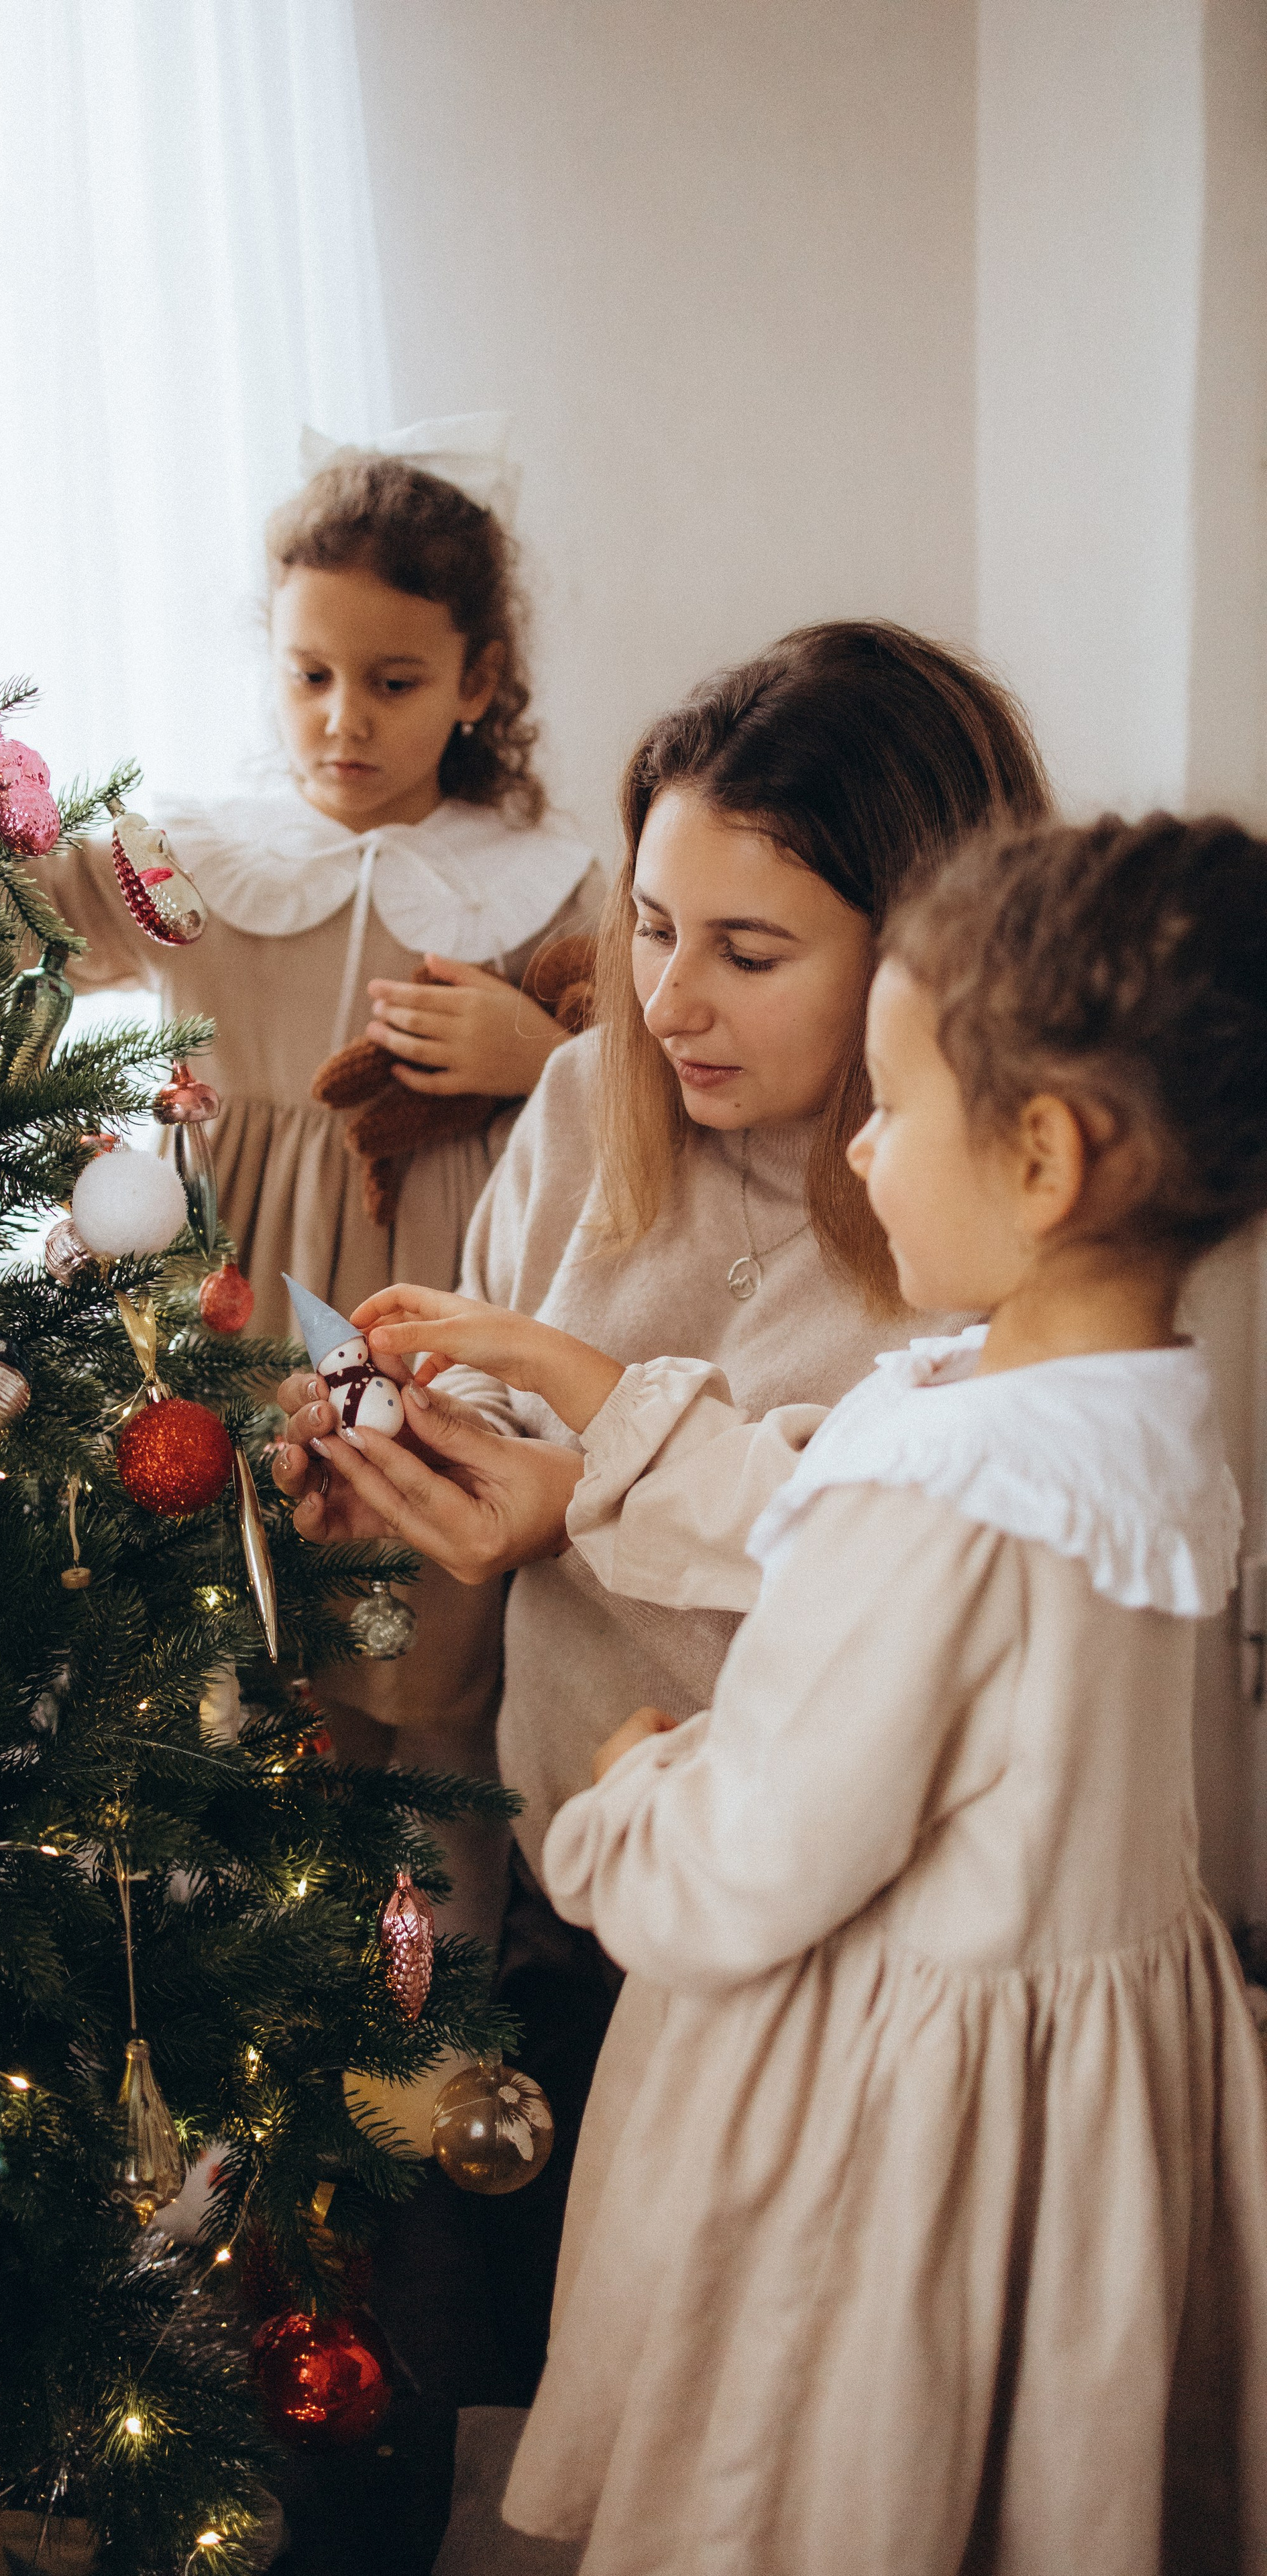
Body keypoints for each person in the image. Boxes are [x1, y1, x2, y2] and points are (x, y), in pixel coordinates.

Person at [480, 811, 1267, 2574]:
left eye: (895, 1109)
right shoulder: (1143, 1420)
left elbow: (761, 1859)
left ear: (1046, 1159)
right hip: (1092, 2068)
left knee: (831, 2470)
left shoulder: (947, 1489)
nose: (867, 1145)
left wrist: (627, 1805)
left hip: (895, 2118)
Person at [275, 623, 1051, 2398]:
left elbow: (912, 1576)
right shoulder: (581, 1096)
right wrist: (382, 1461)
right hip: (557, 1887)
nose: (670, 998)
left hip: (807, 1948)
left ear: (927, 957)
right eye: (649, 927)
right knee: (528, 2379)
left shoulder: (993, 1220)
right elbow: (482, 1385)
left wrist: (579, 1491)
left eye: (750, 950)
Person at [31, 417, 604, 1766]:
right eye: (310, 675)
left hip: (432, 1302)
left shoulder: (537, 879)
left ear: (476, 683)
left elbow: (641, 1075)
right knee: (232, 1623)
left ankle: (439, 1947)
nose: (342, 719)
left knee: (422, 1633)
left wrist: (535, 1056)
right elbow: (12, 911)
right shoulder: (203, 857)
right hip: (231, 1277)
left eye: (392, 682)